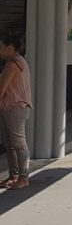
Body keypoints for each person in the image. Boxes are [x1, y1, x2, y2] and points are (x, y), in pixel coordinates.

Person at [0, 33, 31, 190]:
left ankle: (23, 178)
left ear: (10, 47)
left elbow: (1, 88)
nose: (0, 50)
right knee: (10, 144)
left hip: (15, 108)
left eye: (1, 46)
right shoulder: (15, 62)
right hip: (10, 108)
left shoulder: (14, 63)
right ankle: (14, 176)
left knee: (18, 143)